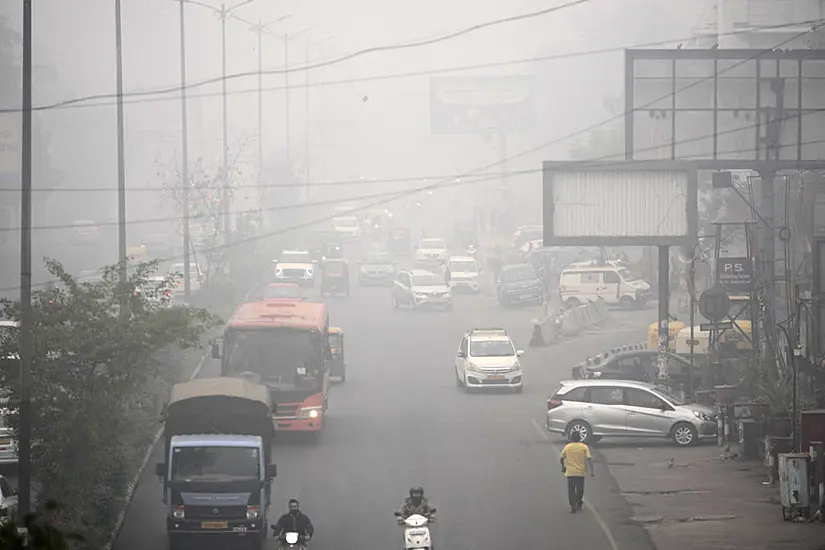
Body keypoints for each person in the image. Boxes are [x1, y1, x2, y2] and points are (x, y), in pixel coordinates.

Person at [560, 430, 594, 513]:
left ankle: (572, 504)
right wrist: (592, 470)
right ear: (580, 438)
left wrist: (563, 467)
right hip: (580, 472)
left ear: (571, 438)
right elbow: (589, 459)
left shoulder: (567, 447)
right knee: (580, 489)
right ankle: (579, 503)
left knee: (571, 489)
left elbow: (561, 457)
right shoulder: (584, 447)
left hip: (570, 472)